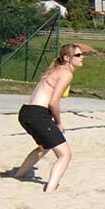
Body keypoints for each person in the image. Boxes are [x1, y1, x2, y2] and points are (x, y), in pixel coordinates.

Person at [13, 44, 85, 191]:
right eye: (78, 55)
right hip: (37, 114)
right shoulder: (66, 73)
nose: (82, 57)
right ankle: (50, 190)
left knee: (44, 146)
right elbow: (53, 102)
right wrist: (58, 122)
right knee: (65, 155)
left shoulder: (55, 70)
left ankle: (18, 175)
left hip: (25, 112)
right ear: (67, 58)